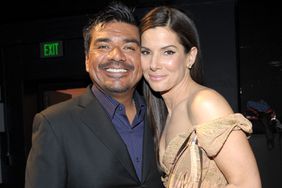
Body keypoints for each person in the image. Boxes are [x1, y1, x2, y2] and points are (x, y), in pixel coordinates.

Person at [25, 2, 164, 188]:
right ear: (87, 60)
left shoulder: (163, 115)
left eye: (129, 47)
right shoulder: (54, 124)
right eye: (104, 47)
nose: (116, 56)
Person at [139, 6, 261, 188]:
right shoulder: (164, 113)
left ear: (190, 56)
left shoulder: (203, 104)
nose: (154, 64)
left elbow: (249, 184)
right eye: (146, 52)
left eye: (168, 52)